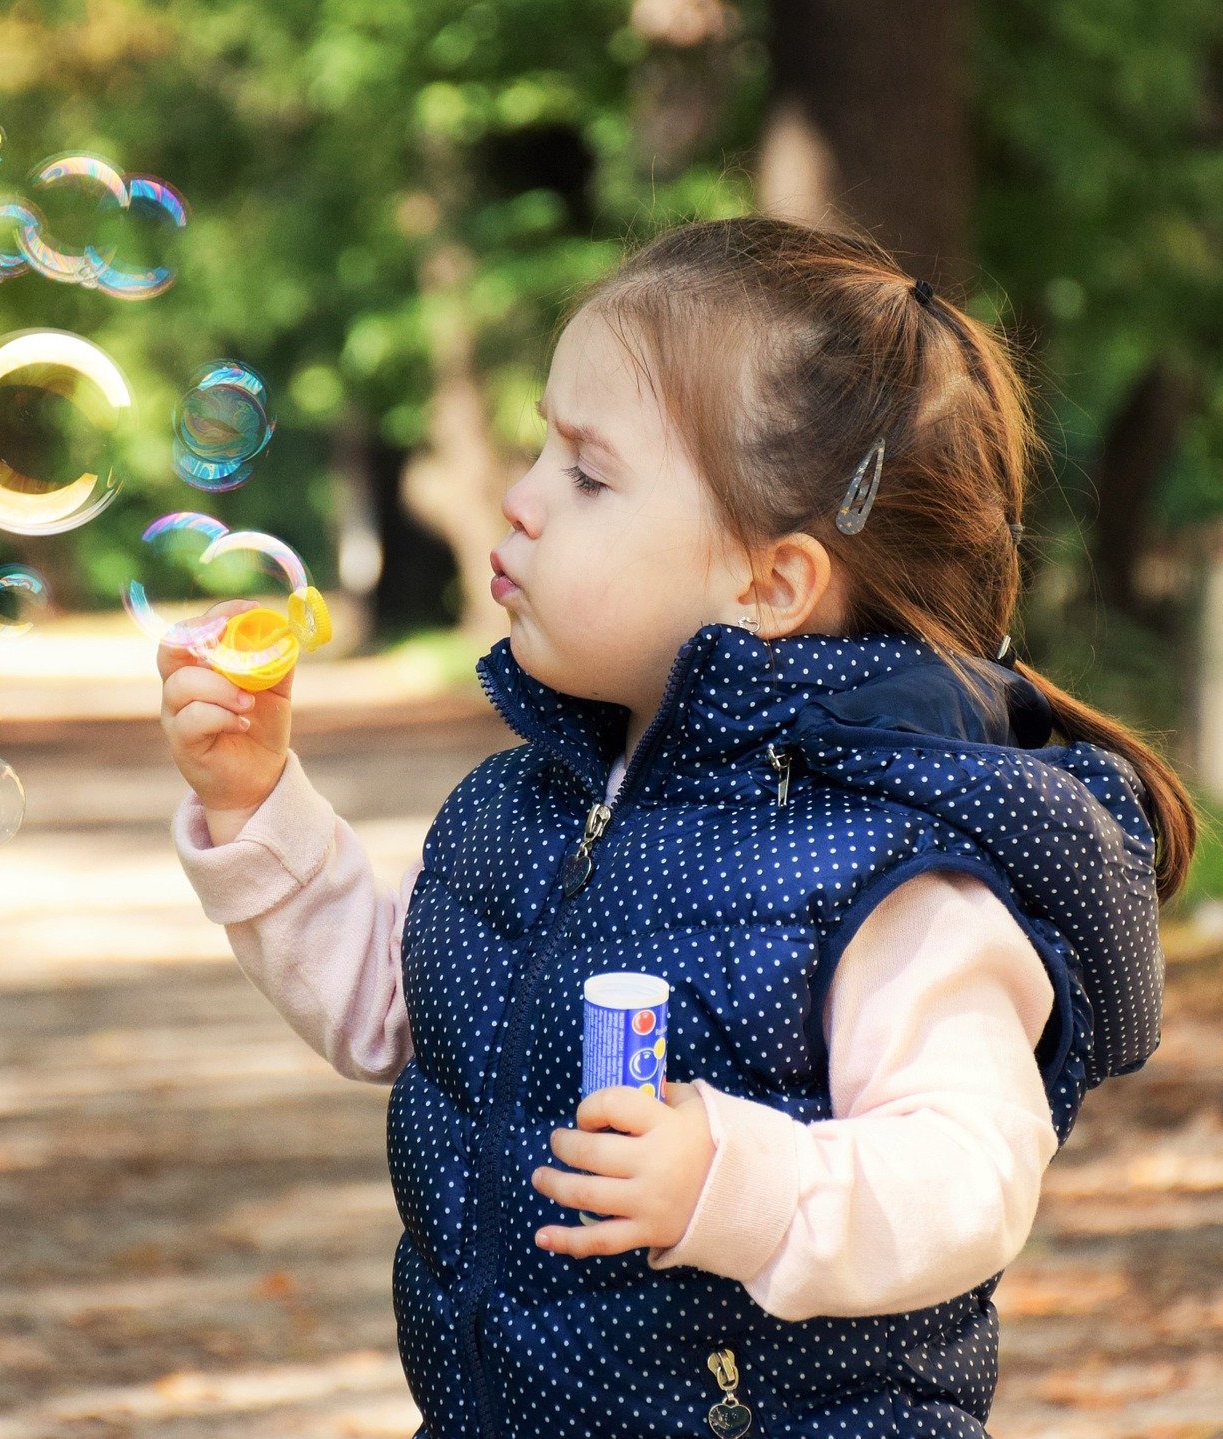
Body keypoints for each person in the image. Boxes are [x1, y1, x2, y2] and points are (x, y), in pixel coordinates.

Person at [157, 214, 1192, 1438]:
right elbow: (403, 1009)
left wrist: (734, 1180)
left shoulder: (886, 866)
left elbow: (969, 1172)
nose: (523, 497)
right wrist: (254, 802)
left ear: (768, 584)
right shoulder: (528, 800)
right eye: (545, 448)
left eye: (589, 474)